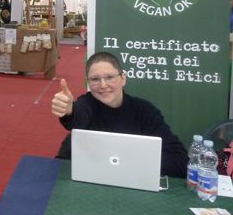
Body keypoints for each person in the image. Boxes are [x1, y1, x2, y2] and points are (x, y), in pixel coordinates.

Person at [50, 51, 188, 178]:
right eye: (95, 79)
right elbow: (78, 116)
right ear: (88, 83)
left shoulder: (145, 111)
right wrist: (69, 111)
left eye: (110, 77)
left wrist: (131, 162)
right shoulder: (87, 104)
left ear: (123, 79)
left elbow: (180, 160)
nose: (103, 85)